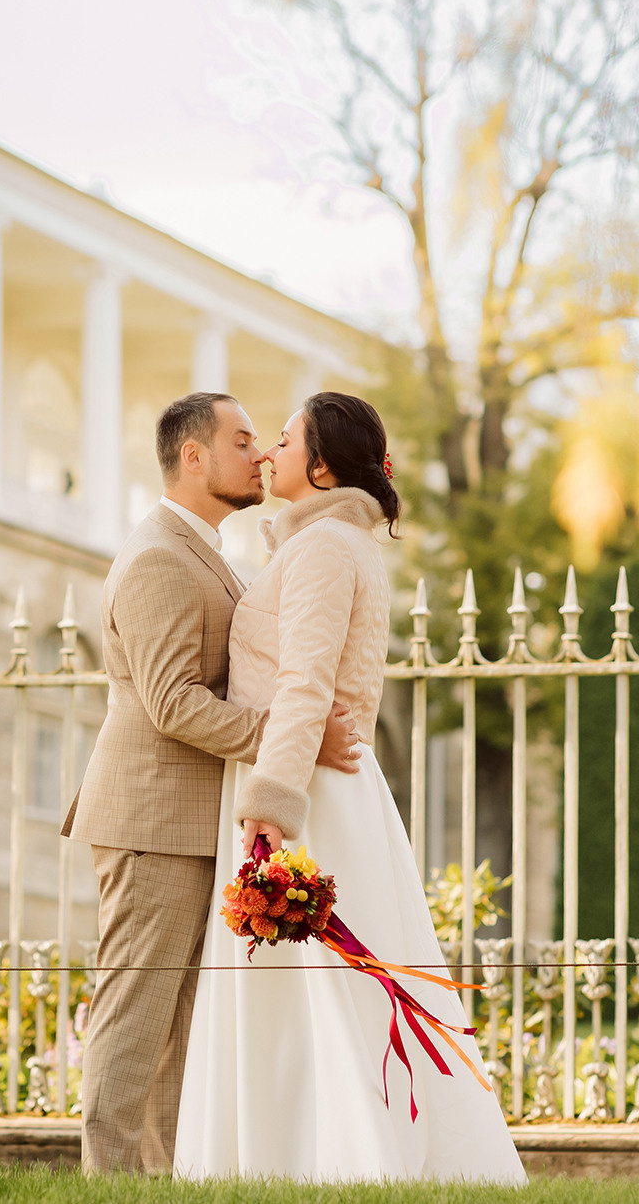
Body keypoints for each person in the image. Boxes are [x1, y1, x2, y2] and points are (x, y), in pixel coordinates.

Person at [174, 392, 525, 1183]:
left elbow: (304, 685)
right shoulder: (323, 544)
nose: (269, 451)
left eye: (287, 439)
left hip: (309, 793)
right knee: (306, 991)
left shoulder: (326, 548)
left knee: (323, 989)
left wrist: (269, 811)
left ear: (323, 463)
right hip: (313, 779)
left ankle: (348, 1157)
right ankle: (292, 1157)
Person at [61, 392, 364, 1176]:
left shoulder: (209, 555)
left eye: (265, 441)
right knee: (136, 1015)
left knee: (182, 1029)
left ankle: (156, 1182)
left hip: (197, 822)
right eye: (241, 441)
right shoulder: (158, 555)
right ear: (192, 456)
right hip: (151, 819)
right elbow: (171, 701)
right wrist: (286, 736)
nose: (260, 454)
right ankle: (109, 1183)